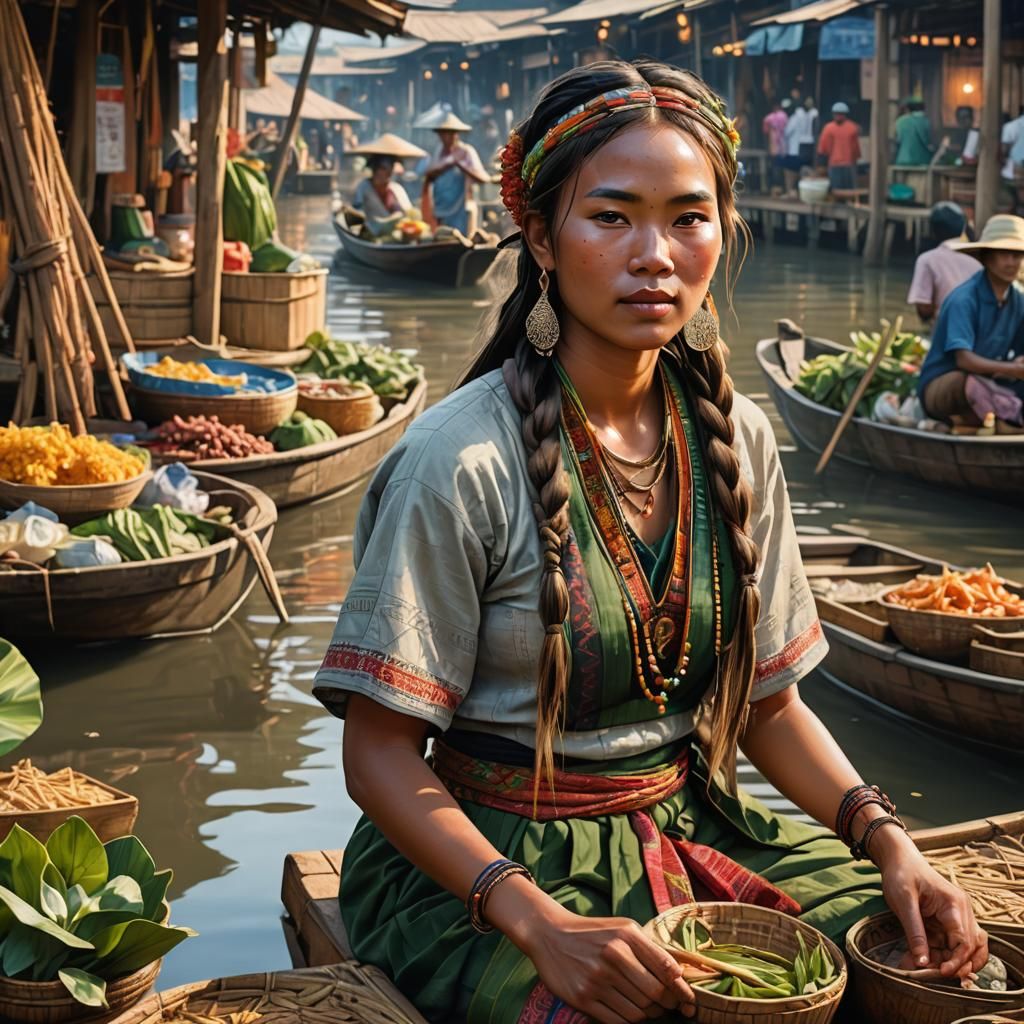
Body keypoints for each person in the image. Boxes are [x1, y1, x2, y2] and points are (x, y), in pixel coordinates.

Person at [312, 59, 987, 1024]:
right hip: (483, 867)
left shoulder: (739, 437)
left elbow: (769, 709)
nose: (655, 254)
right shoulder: (457, 459)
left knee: (918, 964)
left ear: (723, 231)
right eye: (612, 216)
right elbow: (378, 753)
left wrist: (891, 844)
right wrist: (538, 923)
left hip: (694, 821)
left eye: (688, 216)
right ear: (541, 237)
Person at [918, 214, 1024, 430]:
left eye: (1017, 255)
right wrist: (1013, 369)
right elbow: (964, 360)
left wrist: (1017, 365)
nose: (1011, 263)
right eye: (1004, 254)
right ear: (986, 258)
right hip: (946, 386)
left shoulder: (1019, 300)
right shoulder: (964, 299)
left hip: (992, 380)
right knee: (969, 383)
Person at [906, 203, 980, 324]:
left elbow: (924, 308)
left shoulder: (927, 260)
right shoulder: (978, 257)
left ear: (933, 229)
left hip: (945, 328)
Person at [422, 112, 492, 235]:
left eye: (448, 133)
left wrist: (460, 164)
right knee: (442, 239)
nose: (445, 137)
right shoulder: (438, 151)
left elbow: (483, 179)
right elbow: (429, 174)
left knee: (460, 239)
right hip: (440, 209)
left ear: (456, 134)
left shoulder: (466, 152)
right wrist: (443, 167)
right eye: (442, 133)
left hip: (460, 210)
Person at [349, 133, 425, 235]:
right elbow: (356, 213)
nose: (389, 173)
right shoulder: (364, 187)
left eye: (391, 168)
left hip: (396, 233)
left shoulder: (396, 189)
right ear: (375, 169)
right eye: (384, 168)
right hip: (372, 232)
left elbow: (408, 213)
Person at [816, 101, 860, 192]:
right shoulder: (852, 127)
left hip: (837, 164)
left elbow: (823, 149)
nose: (838, 116)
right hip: (846, 164)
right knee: (848, 190)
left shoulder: (828, 128)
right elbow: (856, 149)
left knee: (837, 190)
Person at [894, 98, 934, 166]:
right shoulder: (925, 121)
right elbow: (928, 141)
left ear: (908, 109)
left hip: (904, 159)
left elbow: (898, 139)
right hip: (922, 160)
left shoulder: (901, 121)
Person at [762, 98, 791, 192]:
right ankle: (783, 188)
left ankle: (776, 187)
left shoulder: (769, 117)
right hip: (784, 147)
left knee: (775, 167)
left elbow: (765, 131)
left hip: (774, 146)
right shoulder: (785, 116)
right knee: (783, 167)